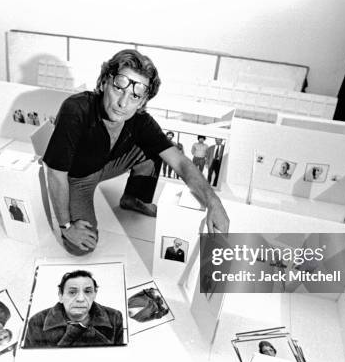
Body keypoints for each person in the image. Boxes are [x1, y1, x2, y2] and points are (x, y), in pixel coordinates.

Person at [41, 49, 229, 256]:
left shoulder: (141, 121)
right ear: (104, 82)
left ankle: (133, 198)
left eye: (134, 96)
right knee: (80, 246)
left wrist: (214, 202)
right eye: (118, 88)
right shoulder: (75, 109)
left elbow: (180, 162)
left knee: (157, 149)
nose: (123, 103)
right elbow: (55, 173)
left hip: (105, 164)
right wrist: (66, 226)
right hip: (77, 178)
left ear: (142, 102)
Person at [24, 270, 124, 347]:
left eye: (88, 292)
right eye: (72, 292)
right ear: (60, 295)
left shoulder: (114, 317)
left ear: (94, 294)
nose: (80, 299)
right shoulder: (37, 321)